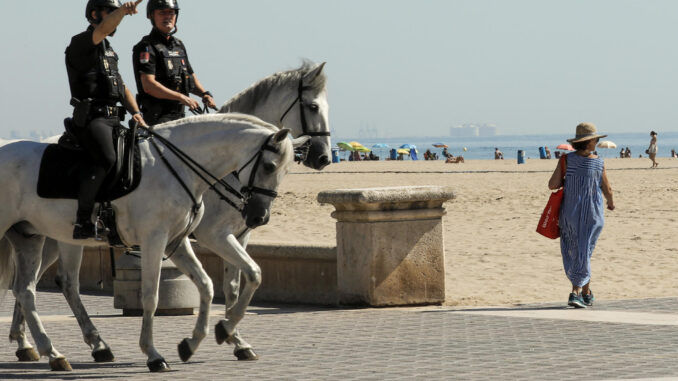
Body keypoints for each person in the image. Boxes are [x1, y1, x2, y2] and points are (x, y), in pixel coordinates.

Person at [66, 0, 147, 239]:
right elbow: (102, 29)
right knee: (107, 158)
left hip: (114, 119)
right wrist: (123, 9)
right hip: (92, 119)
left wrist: (137, 113)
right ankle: (83, 220)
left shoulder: (109, 51)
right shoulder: (81, 42)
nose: (115, 18)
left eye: (115, 12)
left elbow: (121, 87)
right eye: (109, 12)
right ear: (94, 14)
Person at [548, 122, 614, 308]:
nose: (596, 142)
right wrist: (610, 202)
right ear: (590, 141)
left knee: (578, 252)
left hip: (570, 214)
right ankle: (576, 292)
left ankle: (586, 293)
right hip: (592, 215)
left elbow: (552, 185)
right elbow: (607, 188)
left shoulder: (566, 160)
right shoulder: (598, 162)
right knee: (584, 252)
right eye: (595, 139)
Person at [132, 0, 216, 126]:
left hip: (180, 117)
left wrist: (204, 94)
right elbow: (149, 86)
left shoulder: (178, 45)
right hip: (157, 121)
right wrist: (181, 97)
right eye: (162, 13)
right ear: (151, 16)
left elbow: (190, 78)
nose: (168, 17)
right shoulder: (146, 47)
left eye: (171, 12)